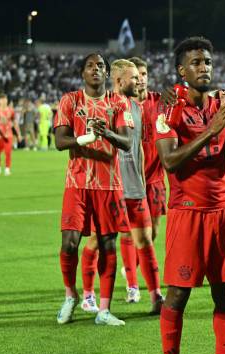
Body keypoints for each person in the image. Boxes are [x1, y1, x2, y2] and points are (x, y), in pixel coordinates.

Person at [154, 36, 225, 354]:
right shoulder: (168, 110)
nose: (204, 68)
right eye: (196, 62)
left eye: (208, 62)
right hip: (188, 214)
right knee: (178, 296)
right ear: (182, 70)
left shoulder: (224, 105)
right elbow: (169, 162)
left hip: (223, 213)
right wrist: (211, 131)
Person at [54, 53, 133, 326]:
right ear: (82, 73)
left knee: (108, 245)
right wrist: (85, 137)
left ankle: (104, 309)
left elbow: (127, 142)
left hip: (109, 185)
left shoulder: (117, 102)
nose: (96, 69)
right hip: (76, 184)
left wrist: (107, 133)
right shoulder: (70, 100)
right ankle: (70, 296)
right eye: (90, 66)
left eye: (101, 66)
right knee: (69, 244)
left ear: (106, 73)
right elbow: (59, 141)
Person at [79, 59, 164, 315]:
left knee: (145, 240)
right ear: (118, 81)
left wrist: (139, 180)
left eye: (140, 77)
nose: (139, 81)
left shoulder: (136, 108)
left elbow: (137, 147)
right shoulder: (100, 107)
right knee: (99, 240)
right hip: (108, 189)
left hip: (135, 188)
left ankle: (156, 296)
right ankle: (87, 295)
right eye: (134, 77)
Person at [129, 56, 167, 243]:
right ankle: (130, 270)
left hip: (155, 179)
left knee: (153, 232)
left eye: (144, 74)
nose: (141, 79)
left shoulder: (160, 102)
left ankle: (133, 269)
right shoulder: (122, 105)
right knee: (131, 232)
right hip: (130, 180)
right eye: (136, 76)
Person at [0, 93, 21, 175]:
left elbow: (15, 123)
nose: (4, 101)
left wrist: (18, 134)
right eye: (2, 99)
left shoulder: (11, 110)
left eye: (5, 99)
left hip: (8, 135)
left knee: (8, 152)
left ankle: (7, 169)